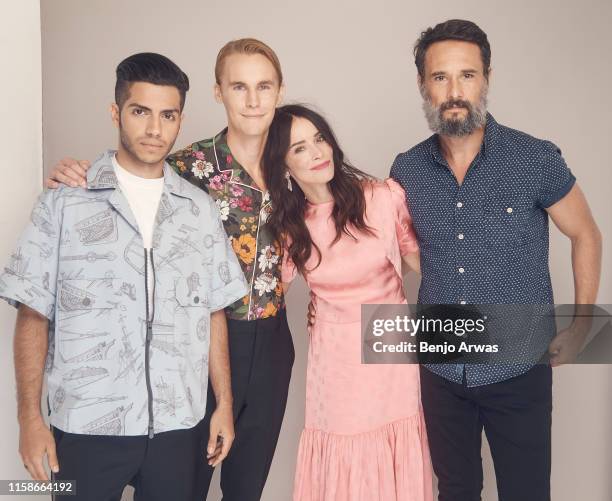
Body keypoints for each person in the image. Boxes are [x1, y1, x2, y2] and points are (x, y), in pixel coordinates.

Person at [45, 39, 294, 501]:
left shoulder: (296, 162)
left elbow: (347, 208)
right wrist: (74, 175)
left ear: (280, 90)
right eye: (239, 86)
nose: (253, 99)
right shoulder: (186, 167)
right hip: (198, 345)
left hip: (274, 341)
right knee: (184, 484)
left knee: (247, 487)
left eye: (264, 86)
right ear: (219, 92)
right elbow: (127, 178)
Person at [0, 52, 247, 501]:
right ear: (116, 112)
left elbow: (213, 313)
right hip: (86, 426)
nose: (155, 129)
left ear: (181, 119)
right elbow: (33, 313)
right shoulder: (63, 203)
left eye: (167, 115)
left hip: (178, 426)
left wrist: (224, 406)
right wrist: (29, 420)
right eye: (140, 112)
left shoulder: (199, 211)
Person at [390, 20, 602, 501]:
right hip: (440, 367)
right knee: (455, 491)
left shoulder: (534, 158)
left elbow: (586, 233)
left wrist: (582, 322)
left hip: (519, 366)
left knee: (526, 492)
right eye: (440, 77)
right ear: (423, 85)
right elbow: (400, 256)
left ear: (486, 78)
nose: (454, 90)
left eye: (467, 75)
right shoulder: (406, 169)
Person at [262, 104, 433, 501]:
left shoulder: (381, 197)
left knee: (396, 445)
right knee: (344, 458)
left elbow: (422, 264)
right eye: (300, 148)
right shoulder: (289, 227)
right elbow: (266, 297)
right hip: (334, 358)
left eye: (320, 139)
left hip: (389, 343)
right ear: (283, 165)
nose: (318, 153)